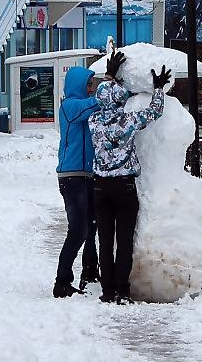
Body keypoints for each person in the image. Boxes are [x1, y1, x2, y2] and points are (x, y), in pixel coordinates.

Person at [90, 53, 170, 304]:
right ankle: (122, 291)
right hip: (124, 187)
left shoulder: (94, 121)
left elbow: (106, 96)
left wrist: (109, 76)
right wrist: (158, 88)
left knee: (105, 240)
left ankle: (107, 290)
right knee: (124, 241)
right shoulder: (129, 120)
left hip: (100, 187)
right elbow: (155, 111)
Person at [52, 60, 118, 298]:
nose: (91, 88)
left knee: (91, 226)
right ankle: (62, 281)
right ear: (78, 85)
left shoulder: (80, 106)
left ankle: (89, 271)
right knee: (78, 229)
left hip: (87, 175)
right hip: (72, 177)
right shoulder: (70, 106)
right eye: (89, 84)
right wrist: (109, 82)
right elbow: (95, 103)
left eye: (93, 84)